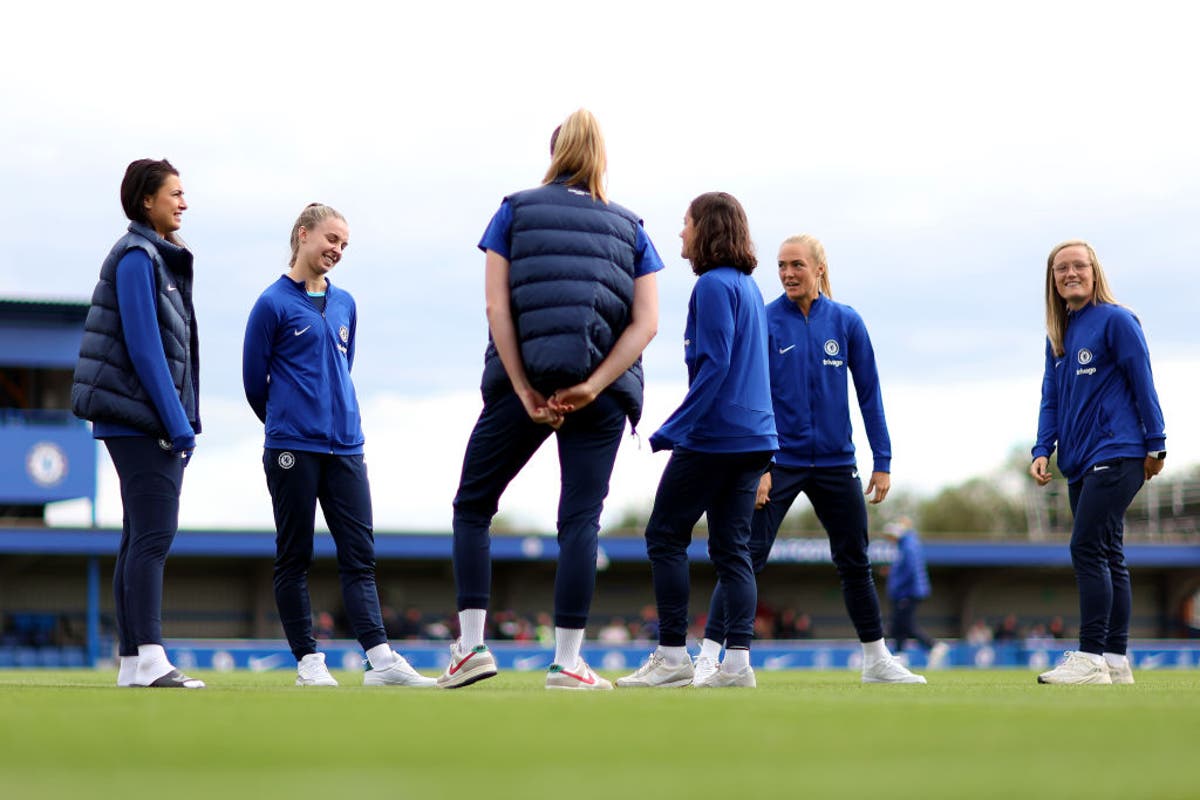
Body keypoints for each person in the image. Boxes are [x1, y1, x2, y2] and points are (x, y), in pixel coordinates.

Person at [441, 109, 662, 691]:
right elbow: (647, 324)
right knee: (580, 521)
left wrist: (521, 387)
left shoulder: (514, 208)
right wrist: (594, 384)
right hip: (604, 390)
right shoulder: (633, 226)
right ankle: (567, 662)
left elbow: (496, 308)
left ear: (553, 151)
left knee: (473, 505)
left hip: (527, 379)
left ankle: (471, 648)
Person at [694, 233, 927, 686]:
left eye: (796, 265)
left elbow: (869, 393)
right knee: (744, 556)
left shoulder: (846, 321)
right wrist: (759, 466)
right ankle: (708, 657)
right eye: (781, 266)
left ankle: (877, 660)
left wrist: (883, 458)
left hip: (839, 463)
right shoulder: (764, 322)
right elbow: (748, 394)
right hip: (779, 460)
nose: (787, 274)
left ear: (819, 268)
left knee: (855, 561)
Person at [242, 203, 435, 688]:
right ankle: (309, 663)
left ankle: (382, 661)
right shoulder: (271, 303)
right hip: (292, 447)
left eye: (345, 244)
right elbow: (253, 382)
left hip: (347, 446)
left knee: (359, 556)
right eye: (331, 239)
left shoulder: (347, 302)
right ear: (303, 235)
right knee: (295, 555)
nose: (337, 250)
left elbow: (342, 368)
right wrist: (289, 422)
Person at [617, 191, 776, 690]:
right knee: (734, 551)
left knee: (664, 535)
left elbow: (716, 367)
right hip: (755, 439)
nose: (680, 233)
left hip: (715, 437)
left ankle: (671, 656)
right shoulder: (749, 287)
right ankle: (736, 666)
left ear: (705, 228)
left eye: (685, 223)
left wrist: (671, 429)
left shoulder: (710, 286)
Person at [71, 158, 204, 688]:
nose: (184, 202)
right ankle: (150, 656)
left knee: (137, 537)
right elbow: (147, 350)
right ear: (146, 200)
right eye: (174, 193)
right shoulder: (135, 255)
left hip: (144, 419)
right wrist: (179, 423)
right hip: (140, 420)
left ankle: (132, 661)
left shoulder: (154, 257)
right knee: (153, 537)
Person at [1031, 239, 1166, 685]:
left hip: (1119, 451)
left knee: (1085, 546)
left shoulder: (1117, 320)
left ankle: (1089, 657)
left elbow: (1142, 379)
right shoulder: (1059, 333)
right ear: (1052, 279)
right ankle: (1114, 660)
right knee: (1108, 552)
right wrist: (1041, 449)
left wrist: (1156, 442)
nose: (1070, 273)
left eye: (1079, 266)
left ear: (1094, 271)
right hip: (1079, 459)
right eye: (1061, 268)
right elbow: (1051, 399)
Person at [882, 517, 949, 668]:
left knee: (904, 624)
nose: (890, 540)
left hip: (907, 593)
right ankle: (900, 656)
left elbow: (910, 572)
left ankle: (933, 646)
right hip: (903, 592)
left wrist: (898, 586)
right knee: (898, 625)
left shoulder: (908, 546)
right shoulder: (905, 546)